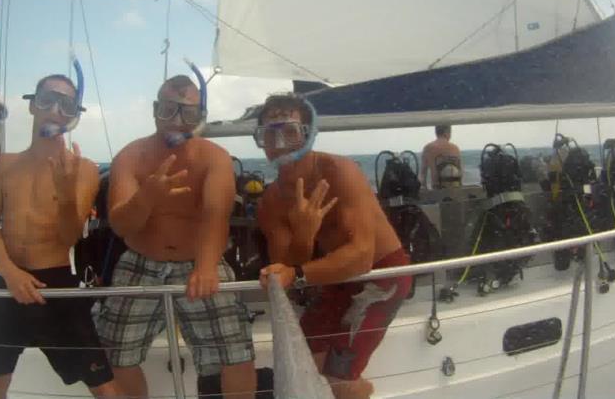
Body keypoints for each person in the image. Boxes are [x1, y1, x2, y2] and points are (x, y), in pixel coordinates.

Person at [97, 75, 256, 399]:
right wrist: (148, 196)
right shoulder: (130, 156)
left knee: (236, 354)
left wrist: (207, 266)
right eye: (169, 110)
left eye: (189, 113)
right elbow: (122, 226)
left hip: (201, 259)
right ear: (155, 110)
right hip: (140, 260)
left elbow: (216, 216)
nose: (177, 121)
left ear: (201, 118)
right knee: (115, 354)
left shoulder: (215, 157)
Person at [255, 93, 412, 399]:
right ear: (260, 139)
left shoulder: (338, 171)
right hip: (331, 278)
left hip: (381, 275)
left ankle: (359, 391)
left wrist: (297, 272)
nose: (280, 141)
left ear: (308, 133)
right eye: (269, 133)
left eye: (290, 131)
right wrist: (304, 235)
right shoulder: (271, 201)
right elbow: (286, 267)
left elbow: (362, 256)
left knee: (337, 379)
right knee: (304, 364)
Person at [0, 74, 120, 399]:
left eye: (66, 104)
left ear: (74, 116)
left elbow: (68, 238)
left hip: (54, 284)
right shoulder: (5, 164)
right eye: (47, 99)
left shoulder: (84, 169)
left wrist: (66, 194)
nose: (55, 109)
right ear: (32, 104)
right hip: (7, 280)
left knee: (102, 382)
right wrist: (9, 272)